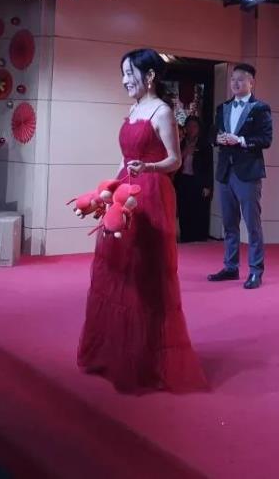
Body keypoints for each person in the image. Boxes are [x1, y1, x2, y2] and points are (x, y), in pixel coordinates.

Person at [77, 49, 208, 394]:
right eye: (122, 73)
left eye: (129, 73)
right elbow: (124, 157)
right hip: (126, 189)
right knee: (119, 268)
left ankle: (148, 359)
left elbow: (174, 160)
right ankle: (116, 352)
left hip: (151, 193)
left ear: (149, 76)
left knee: (145, 270)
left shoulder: (162, 111)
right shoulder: (134, 109)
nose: (124, 80)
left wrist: (148, 167)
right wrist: (109, 189)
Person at [208, 63, 273, 290]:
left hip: (248, 173)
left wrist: (241, 141)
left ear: (251, 82)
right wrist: (217, 139)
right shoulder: (223, 107)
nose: (235, 83)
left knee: (252, 224)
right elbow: (212, 133)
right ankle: (231, 266)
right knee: (229, 223)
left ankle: (255, 271)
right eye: (233, 79)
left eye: (240, 79)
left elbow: (266, 139)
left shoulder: (260, 108)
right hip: (225, 172)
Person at [175, 116, 213, 243]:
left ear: (199, 129)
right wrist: (185, 152)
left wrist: (208, 186)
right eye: (189, 126)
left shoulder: (204, 145)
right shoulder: (180, 143)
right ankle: (185, 237)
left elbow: (209, 167)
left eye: (194, 126)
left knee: (198, 211)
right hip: (183, 180)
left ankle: (199, 238)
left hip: (198, 181)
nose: (191, 129)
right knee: (184, 210)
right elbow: (175, 161)